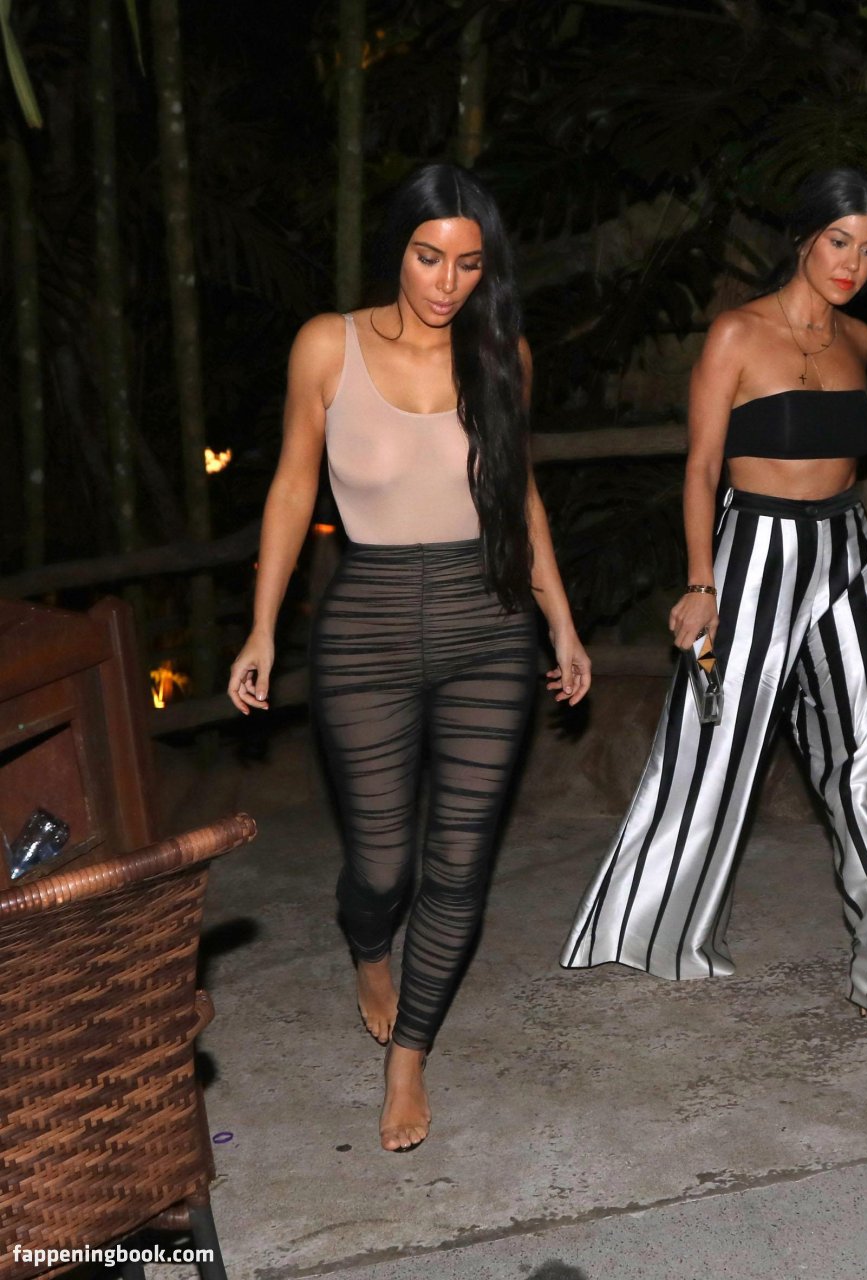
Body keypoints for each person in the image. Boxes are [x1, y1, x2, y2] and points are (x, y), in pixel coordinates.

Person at [560, 168, 867, 1038]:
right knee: (711, 743)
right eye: (839, 242)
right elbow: (700, 466)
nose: (852, 264)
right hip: (751, 553)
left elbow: (851, 466)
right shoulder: (736, 333)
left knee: (864, 757)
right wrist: (701, 582)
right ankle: (648, 926)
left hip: (842, 554)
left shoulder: (856, 339)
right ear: (804, 237)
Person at [228, 163, 590, 1150]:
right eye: (429, 257)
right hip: (368, 627)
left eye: (468, 265)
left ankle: (410, 1058)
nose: (446, 282)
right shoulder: (328, 345)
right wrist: (261, 627)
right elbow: (291, 489)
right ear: (399, 247)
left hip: (489, 623)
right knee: (381, 866)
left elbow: (522, 497)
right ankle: (367, 947)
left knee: (460, 865)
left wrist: (561, 622)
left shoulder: (502, 354)